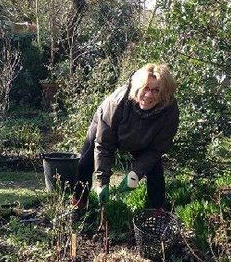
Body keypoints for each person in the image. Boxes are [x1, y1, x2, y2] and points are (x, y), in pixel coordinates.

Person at [72, 63, 179, 216]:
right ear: (138, 87)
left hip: (145, 137)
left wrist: (135, 173)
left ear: (165, 94)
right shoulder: (116, 103)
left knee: (155, 168)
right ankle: (78, 206)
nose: (149, 95)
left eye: (157, 91)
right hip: (110, 128)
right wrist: (102, 182)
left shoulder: (169, 112)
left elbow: (157, 149)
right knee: (85, 162)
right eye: (146, 88)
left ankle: (157, 212)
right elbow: (103, 145)